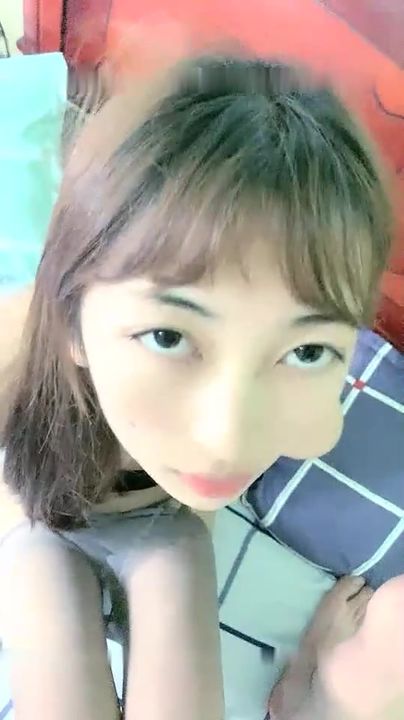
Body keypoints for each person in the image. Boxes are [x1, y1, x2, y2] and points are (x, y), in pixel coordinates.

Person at [0, 54, 395, 719]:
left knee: (174, 569)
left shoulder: (193, 488)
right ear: (69, 318)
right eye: (168, 336)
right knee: (44, 582)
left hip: (161, 525)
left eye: (305, 349)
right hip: (32, 510)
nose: (226, 440)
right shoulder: (18, 345)